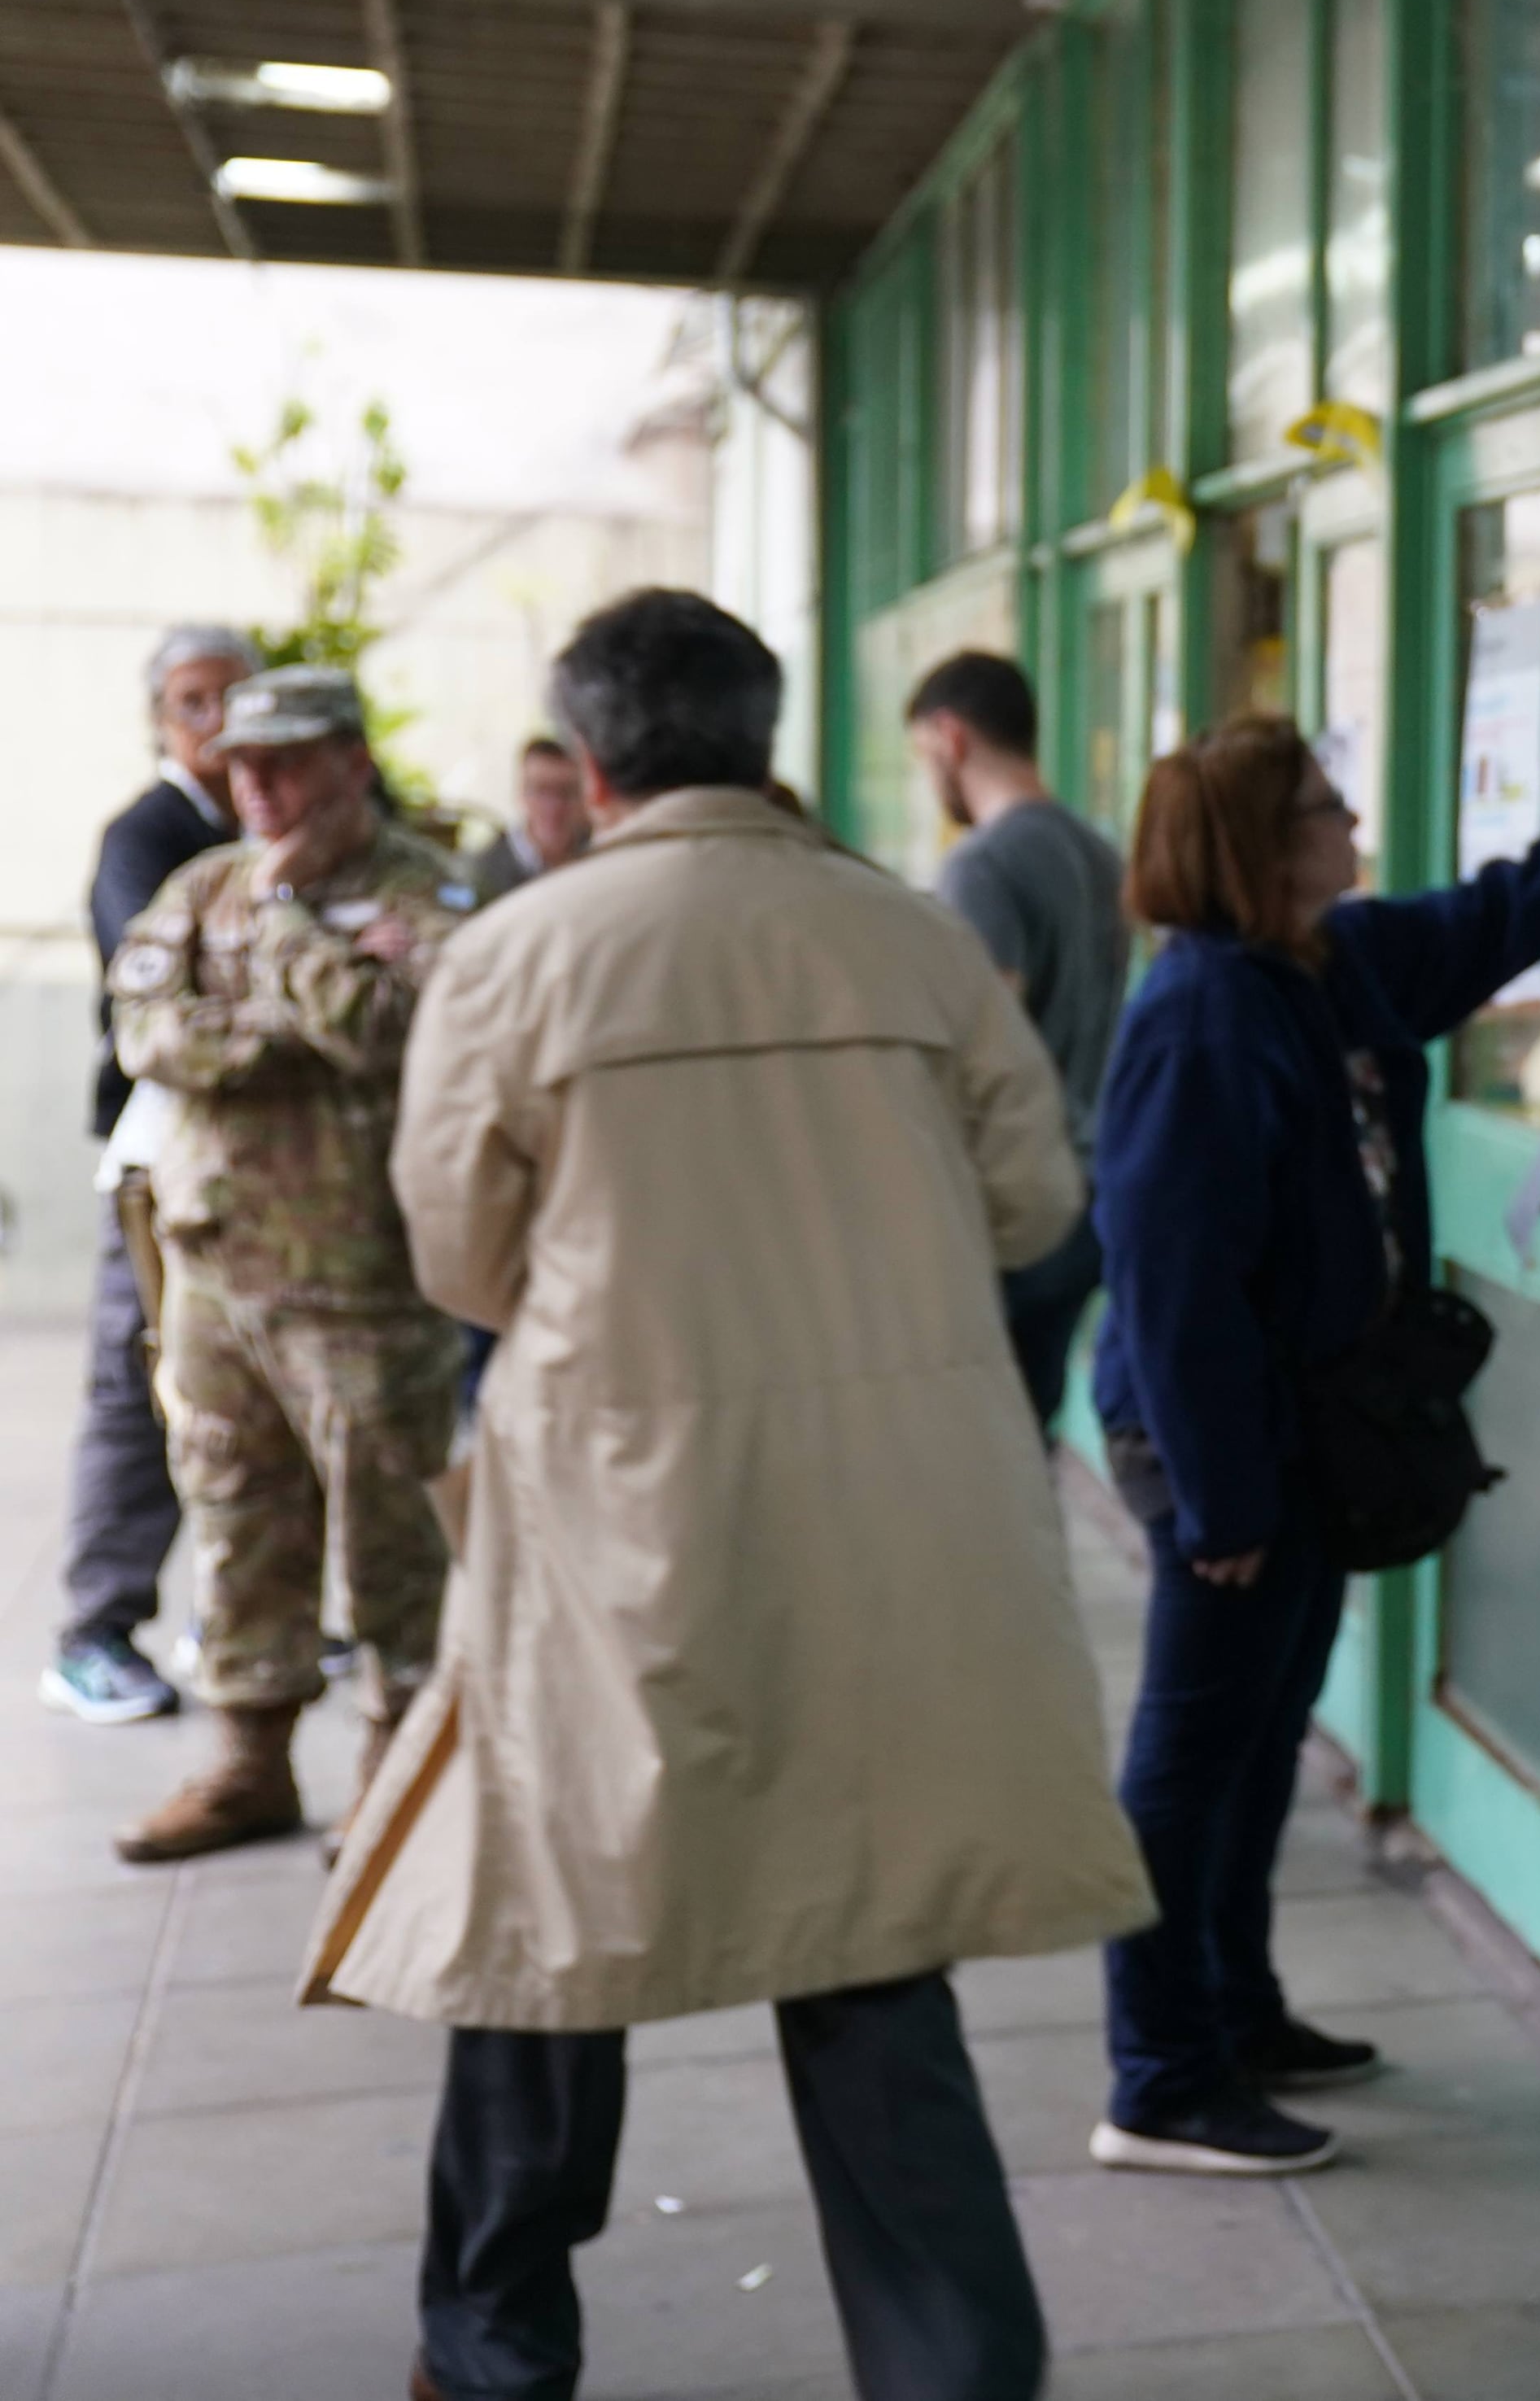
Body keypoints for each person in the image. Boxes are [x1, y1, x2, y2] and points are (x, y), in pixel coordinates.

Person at [322, 589, 1152, 2401]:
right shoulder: (911, 939)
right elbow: (1031, 1207)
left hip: (618, 1522)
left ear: (593, 757)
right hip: (886, 1517)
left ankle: (492, 2356)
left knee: (547, 1928)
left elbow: (460, 1259)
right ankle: (953, 2370)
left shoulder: (519, 956)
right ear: (764, 740)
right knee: (865, 1934)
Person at [1087, 710, 1540, 2175]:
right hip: (1220, 1444)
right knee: (1192, 1755)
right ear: (1260, 850)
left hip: (1300, 1430)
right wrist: (1222, 1503)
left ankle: (1234, 2008)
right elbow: (1171, 1282)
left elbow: (1475, 930)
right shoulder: (1200, 1013)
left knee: (1265, 1734)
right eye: (1328, 811)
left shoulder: (1318, 964)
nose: (1355, 827)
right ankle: (1157, 2076)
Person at [103, 665, 470, 1861]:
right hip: (218, 1272)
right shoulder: (201, 883)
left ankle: (398, 1771)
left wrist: (290, 929)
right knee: (235, 1513)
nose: (255, 784)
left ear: (352, 762)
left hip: (361, 1279)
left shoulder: (423, 891)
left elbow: (390, 1030)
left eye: (287, 761)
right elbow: (147, 1028)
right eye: (242, 764)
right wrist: (294, 1014)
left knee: (388, 1539)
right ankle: (248, 1762)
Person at [41, 622, 255, 1726]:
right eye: (192, 700)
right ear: (162, 719)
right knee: (140, 1386)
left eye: (235, 696)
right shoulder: (149, 830)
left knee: (254, 1392)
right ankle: (93, 1633)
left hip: (272, 1171)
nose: (216, 720)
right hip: (161, 1164)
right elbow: (155, 986)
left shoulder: (270, 824)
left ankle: (237, 1615)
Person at [907, 649, 1128, 1435]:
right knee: (1030, 1436)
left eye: (922, 757)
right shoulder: (1097, 853)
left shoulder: (982, 865)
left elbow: (979, 1048)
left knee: (973, 1450)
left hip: (1016, 1203)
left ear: (950, 737)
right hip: (1091, 1189)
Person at [460, 736, 591, 906]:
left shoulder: (599, 853)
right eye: (541, 791)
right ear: (521, 793)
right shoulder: (483, 870)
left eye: (565, 792)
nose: (554, 807)